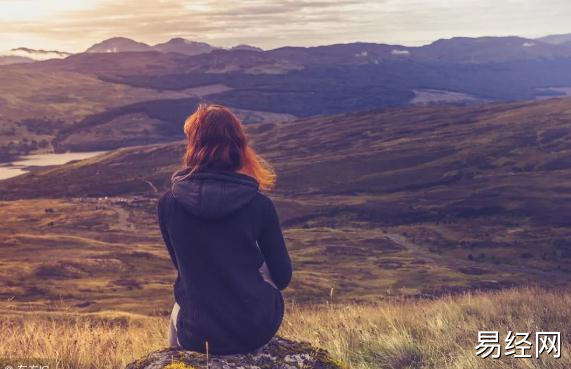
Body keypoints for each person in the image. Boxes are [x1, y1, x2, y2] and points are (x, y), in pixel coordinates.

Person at [157, 103, 292, 355]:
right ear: (239, 147)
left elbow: (184, 270)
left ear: (193, 146)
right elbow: (282, 277)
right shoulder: (259, 204)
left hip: (196, 336)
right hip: (254, 331)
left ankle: (179, 361)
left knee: (180, 304)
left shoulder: (168, 203)